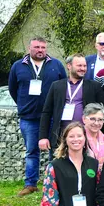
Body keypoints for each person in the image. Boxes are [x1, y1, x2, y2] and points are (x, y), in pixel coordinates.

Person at [8, 36, 67, 196]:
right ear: (29, 48)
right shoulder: (18, 66)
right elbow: (13, 89)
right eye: (37, 47)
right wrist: (24, 104)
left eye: (43, 47)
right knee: (31, 151)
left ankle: (53, 182)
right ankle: (30, 184)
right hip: (29, 117)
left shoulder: (56, 65)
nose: (40, 50)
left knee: (54, 150)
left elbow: (64, 86)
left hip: (53, 117)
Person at [39, 54, 104, 151]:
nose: (83, 68)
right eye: (79, 65)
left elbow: (103, 112)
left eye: (84, 66)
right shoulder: (56, 86)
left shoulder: (94, 87)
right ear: (69, 66)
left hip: (85, 138)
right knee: (58, 165)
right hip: (60, 136)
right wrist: (43, 137)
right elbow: (46, 112)